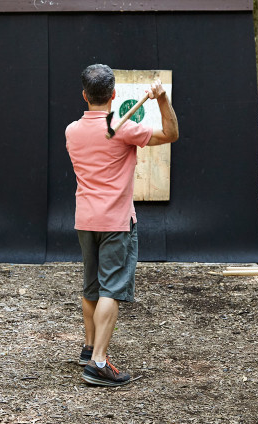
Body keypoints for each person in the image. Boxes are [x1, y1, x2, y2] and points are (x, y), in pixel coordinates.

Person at [65, 64, 179, 387]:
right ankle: (99, 363)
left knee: (91, 287)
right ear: (113, 95)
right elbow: (171, 133)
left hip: (85, 220)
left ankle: (89, 349)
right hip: (116, 222)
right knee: (110, 290)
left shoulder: (71, 131)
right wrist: (161, 99)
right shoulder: (123, 129)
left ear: (85, 95)